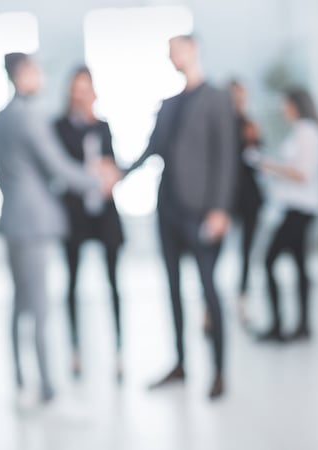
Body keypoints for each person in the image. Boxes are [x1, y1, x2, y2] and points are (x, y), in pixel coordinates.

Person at [0, 53, 120, 403]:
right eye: (37, 71)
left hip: (13, 217)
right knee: (39, 307)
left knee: (20, 301)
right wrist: (99, 180)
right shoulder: (29, 117)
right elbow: (57, 165)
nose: (43, 77)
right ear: (22, 75)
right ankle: (47, 383)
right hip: (33, 221)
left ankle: (20, 376)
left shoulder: (2, 117)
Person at [125, 35, 237, 400]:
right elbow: (153, 149)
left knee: (208, 289)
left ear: (193, 49)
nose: (172, 56)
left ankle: (219, 371)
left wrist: (220, 208)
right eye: (169, 52)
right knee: (171, 289)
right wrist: (121, 173)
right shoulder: (169, 103)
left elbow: (226, 155)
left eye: (177, 49)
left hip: (202, 211)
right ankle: (180, 363)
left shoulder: (216, 98)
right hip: (169, 209)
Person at [53, 67, 125, 382]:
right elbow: (59, 168)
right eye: (77, 89)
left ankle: (119, 351)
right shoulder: (60, 127)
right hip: (75, 214)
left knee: (114, 282)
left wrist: (111, 173)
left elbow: (112, 164)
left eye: (86, 89)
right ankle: (75, 350)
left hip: (104, 212)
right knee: (72, 282)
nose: (81, 95)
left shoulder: (103, 127)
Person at [245, 89, 318, 342]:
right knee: (300, 266)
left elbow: (302, 174)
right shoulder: (302, 131)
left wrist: (267, 165)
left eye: (286, 105)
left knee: (269, 260)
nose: (283, 110)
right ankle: (302, 326)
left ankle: (278, 326)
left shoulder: (308, 132)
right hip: (295, 207)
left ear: (295, 105)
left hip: (301, 208)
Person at [229, 79, 264, 325]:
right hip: (226, 197)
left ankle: (242, 303)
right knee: (212, 252)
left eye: (242, 95)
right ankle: (209, 307)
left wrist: (255, 139)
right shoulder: (221, 123)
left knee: (246, 253)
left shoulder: (250, 124)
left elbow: (257, 159)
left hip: (248, 196)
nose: (239, 100)